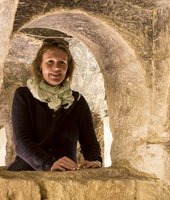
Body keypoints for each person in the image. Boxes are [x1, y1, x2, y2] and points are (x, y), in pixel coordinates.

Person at [7, 38, 102, 171]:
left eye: (61, 63)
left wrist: (94, 160)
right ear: (40, 66)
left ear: (68, 68)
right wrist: (48, 163)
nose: (56, 68)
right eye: (50, 62)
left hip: (65, 175)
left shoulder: (78, 101)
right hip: (27, 172)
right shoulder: (24, 95)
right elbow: (22, 142)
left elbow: (90, 142)